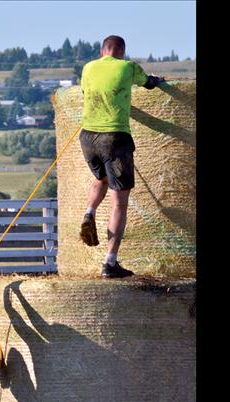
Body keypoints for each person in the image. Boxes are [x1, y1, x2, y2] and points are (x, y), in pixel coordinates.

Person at [79, 35, 164, 278]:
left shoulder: (88, 68)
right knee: (120, 203)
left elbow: (86, 92)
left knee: (102, 179)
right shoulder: (128, 67)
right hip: (114, 137)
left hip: (88, 137)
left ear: (102, 50)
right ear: (122, 51)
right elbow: (148, 83)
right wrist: (158, 81)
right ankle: (110, 262)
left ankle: (90, 212)